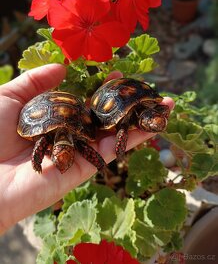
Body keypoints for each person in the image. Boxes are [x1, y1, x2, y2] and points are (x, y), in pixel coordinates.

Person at [0, 64, 174, 235]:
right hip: (57, 110)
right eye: (69, 159)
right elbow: (82, 151)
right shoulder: (56, 140)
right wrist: (36, 162)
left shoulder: (51, 140)